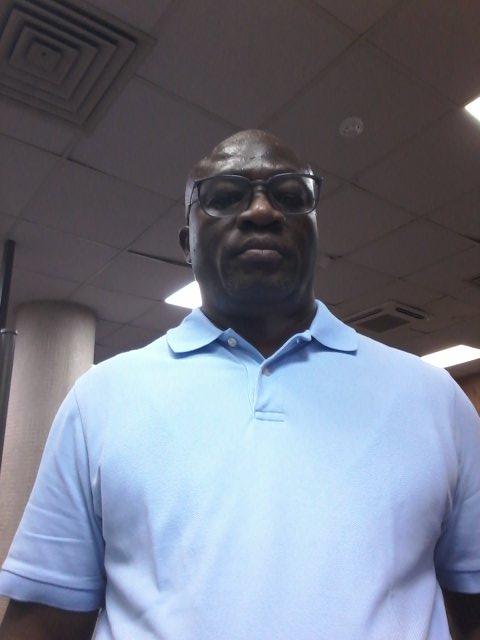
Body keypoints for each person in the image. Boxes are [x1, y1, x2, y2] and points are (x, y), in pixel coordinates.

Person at [0, 130, 479, 640]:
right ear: (186, 244)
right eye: (226, 196)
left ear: (315, 232)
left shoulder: (435, 400)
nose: (262, 211)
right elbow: (44, 624)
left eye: (290, 195)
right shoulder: (100, 399)